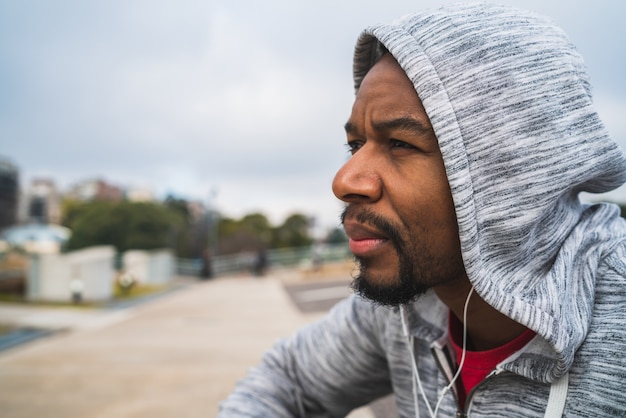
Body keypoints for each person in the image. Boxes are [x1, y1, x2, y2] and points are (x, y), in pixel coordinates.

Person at [219, 3, 626, 417]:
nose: (344, 182)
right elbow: (287, 380)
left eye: (400, 143)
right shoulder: (405, 306)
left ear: (514, 172)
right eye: (356, 145)